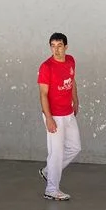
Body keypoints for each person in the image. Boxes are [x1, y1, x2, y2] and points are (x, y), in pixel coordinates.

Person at [37, 32, 81, 200]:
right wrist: (48, 118)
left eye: (59, 46)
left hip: (68, 113)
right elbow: (43, 94)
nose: (56, 50)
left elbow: (72, 81)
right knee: (56, 153)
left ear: (66, 47)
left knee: (75, 147)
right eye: (53, 46)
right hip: (54, 115)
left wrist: (75, 100)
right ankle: (51, 189)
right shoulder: (46, 67)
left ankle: (48, 171)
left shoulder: (70, 61)